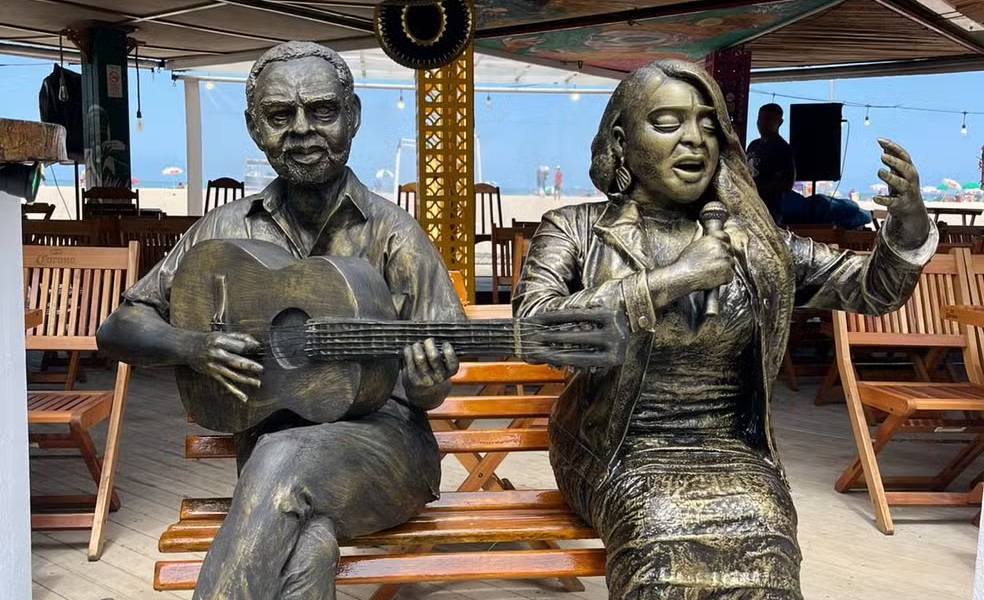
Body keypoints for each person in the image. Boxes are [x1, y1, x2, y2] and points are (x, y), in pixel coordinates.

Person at [513, 59, 936, 600]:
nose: (694, 140)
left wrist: (909, 225)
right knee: (662, 533)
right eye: (667, 123)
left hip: (732, 449)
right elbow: (535, 332)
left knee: (765, 537)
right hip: (613, 447)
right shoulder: (574, 229)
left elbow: (871, 290)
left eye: (708, 124)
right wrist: (672, 279)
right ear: (621, 141)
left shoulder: (758, 244)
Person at [96, 41, 464, 600]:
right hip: (274, 462)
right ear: (253, 127)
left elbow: (430, 388)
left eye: (321, 111)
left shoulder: (394, 235)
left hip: (386, 453)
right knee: (307, 547)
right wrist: (192, 346)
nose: (301, 129)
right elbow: (117, 327)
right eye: (279, 115)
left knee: (281, 458)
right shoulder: (224, 232)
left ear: (353, 117)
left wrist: (427, 377)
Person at [746, 103, 796, 224]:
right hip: (748, 206)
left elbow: (786, 183)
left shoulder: (783, 149)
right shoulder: (753, 145)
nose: (762, 123)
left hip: (769, 211)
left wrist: (757, 189)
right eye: (760, 119)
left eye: (768, 119)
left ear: (779, 122)